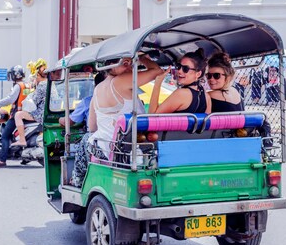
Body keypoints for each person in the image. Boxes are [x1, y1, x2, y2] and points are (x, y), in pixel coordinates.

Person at [70, 56, 162, 187]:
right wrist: (140, 55)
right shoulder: (121, 81)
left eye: (131, 63)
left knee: (87, 139)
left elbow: (92, 127)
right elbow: (156, 70)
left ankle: (78, 180)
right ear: (110, 66)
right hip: (132, 150)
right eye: (125, 63)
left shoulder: (97, 90)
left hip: (105, 150)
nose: (130, 67)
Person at [149, 50, 211, 114]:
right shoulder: (207, 97)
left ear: (198, 74)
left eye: (185, 69)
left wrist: (157, 83)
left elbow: (152, 115)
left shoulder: (181, 94)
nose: (179, 71)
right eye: (179, 66)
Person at [0, 65, 29, 168]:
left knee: (5, 135)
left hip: (17, 114)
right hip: (25, 113)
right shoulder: (27, 85)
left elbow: (10, 99)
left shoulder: (18, 86)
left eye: (12, 74)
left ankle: (2, 160)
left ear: (16, 75)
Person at [11, 59, 48, 147]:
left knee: (18, 115)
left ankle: (22, 140)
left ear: (37, 75)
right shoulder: (49, 83)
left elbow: (33, 101)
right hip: (46, 111)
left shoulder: (42, 85)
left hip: (41, 113)